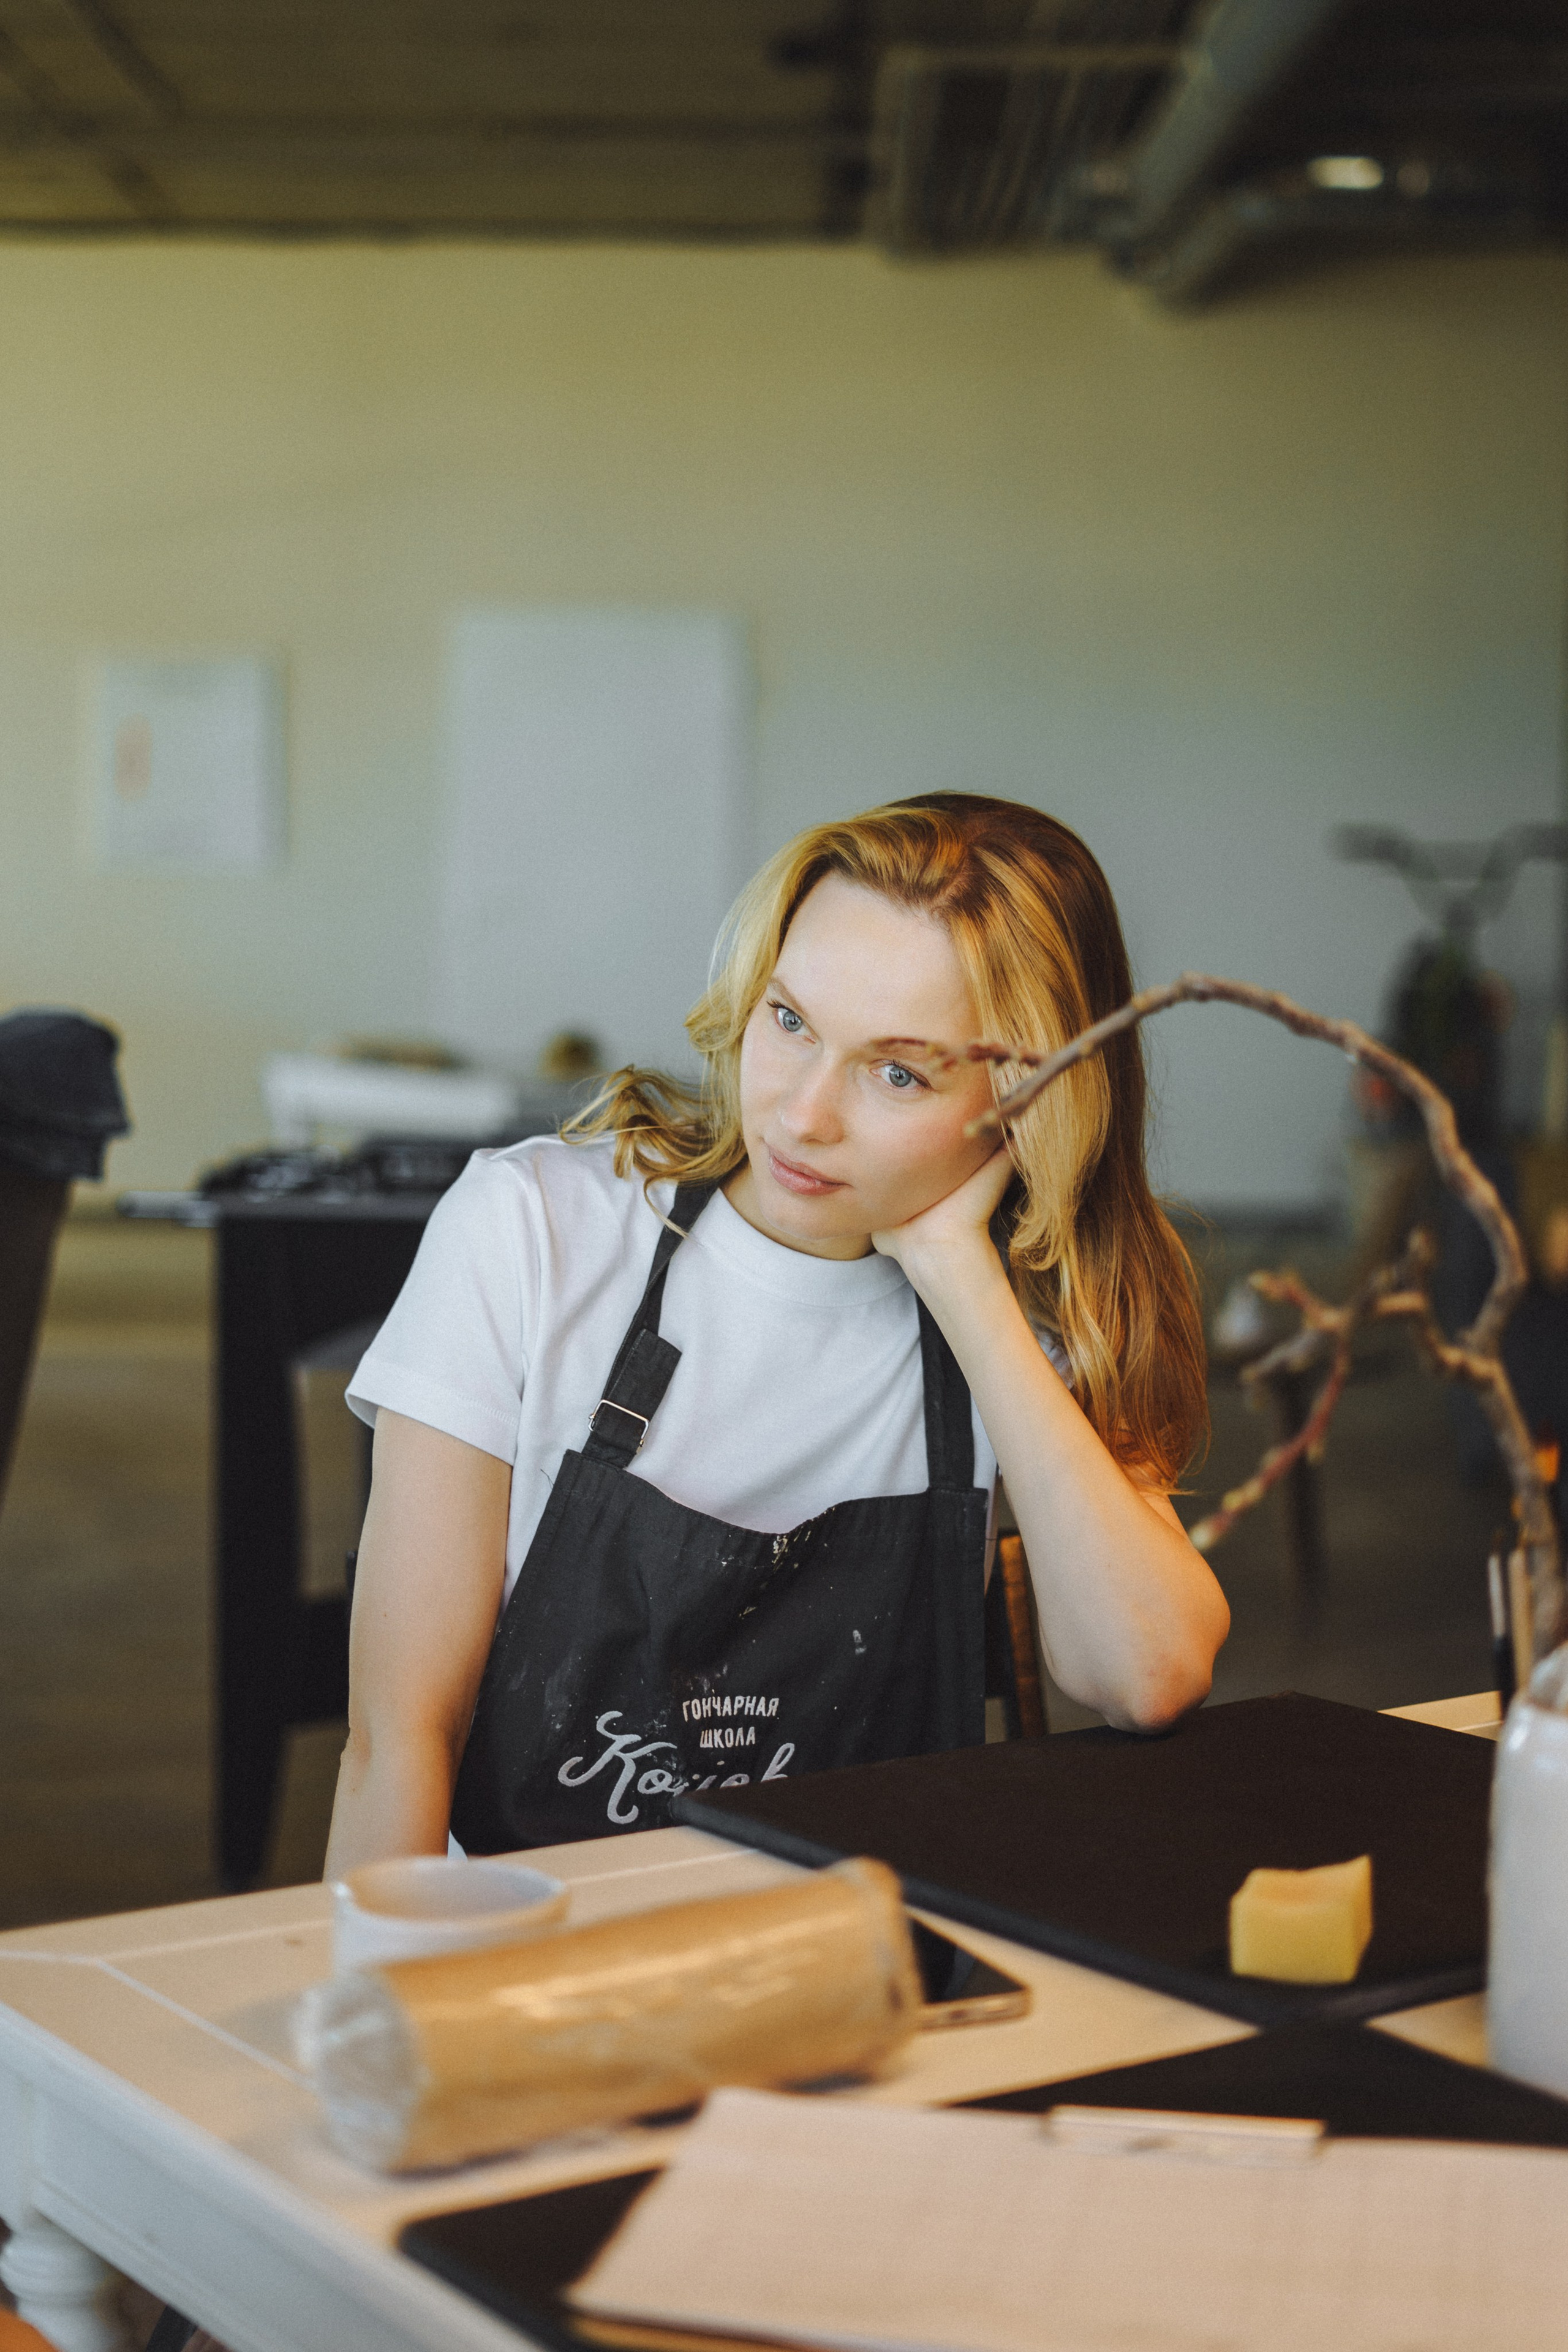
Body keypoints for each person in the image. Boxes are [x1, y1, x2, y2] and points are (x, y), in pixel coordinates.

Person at [326, 794, 1227, 1871]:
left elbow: (1145, 1671)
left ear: (1029, 1105)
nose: (803, 1116)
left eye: (899, 1073)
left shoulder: (1023, 1323)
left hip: (860, 1979)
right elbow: (397, 1743)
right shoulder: (531, 1233)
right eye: (791, 1021)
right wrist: (379, 2014)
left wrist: (958, 1278)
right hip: (529, 1967)